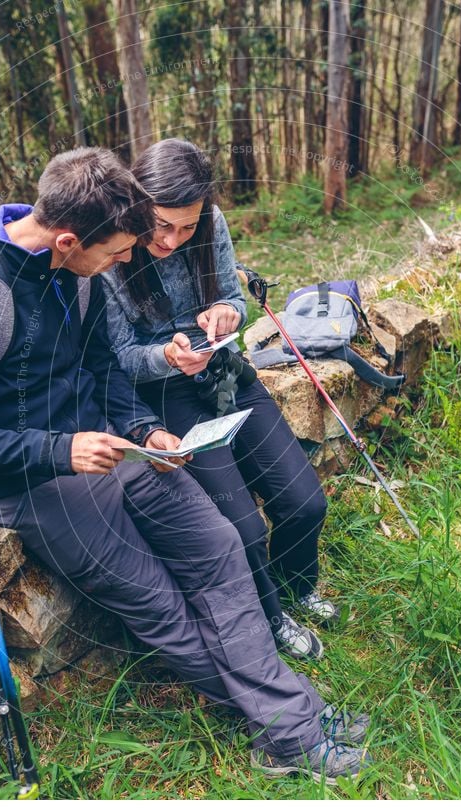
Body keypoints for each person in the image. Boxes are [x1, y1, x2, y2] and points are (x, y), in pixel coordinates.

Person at [0, 147, 371, 783]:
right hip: (33, 483)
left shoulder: (85, 274)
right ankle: (294, 729)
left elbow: (100, 369)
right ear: (66, 241)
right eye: (120, 251)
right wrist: (57, 450)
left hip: (120, 449)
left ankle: (291, 722)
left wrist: (144, 428)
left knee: (220, 550)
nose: (130, 260)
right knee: (162, 603)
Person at [103, 138, 339, 662]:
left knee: (304, 501)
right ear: (140, 204)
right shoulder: (113, 251)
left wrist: (228, 315)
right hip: (164, 392)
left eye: (186, 227)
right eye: (161, 224)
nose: (172, 239)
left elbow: (234, 300)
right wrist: (166, 355)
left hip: (225, 372)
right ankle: (272, 617)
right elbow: (117, 355)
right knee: (243, 527)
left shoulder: (211, 222)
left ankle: (298, 584)